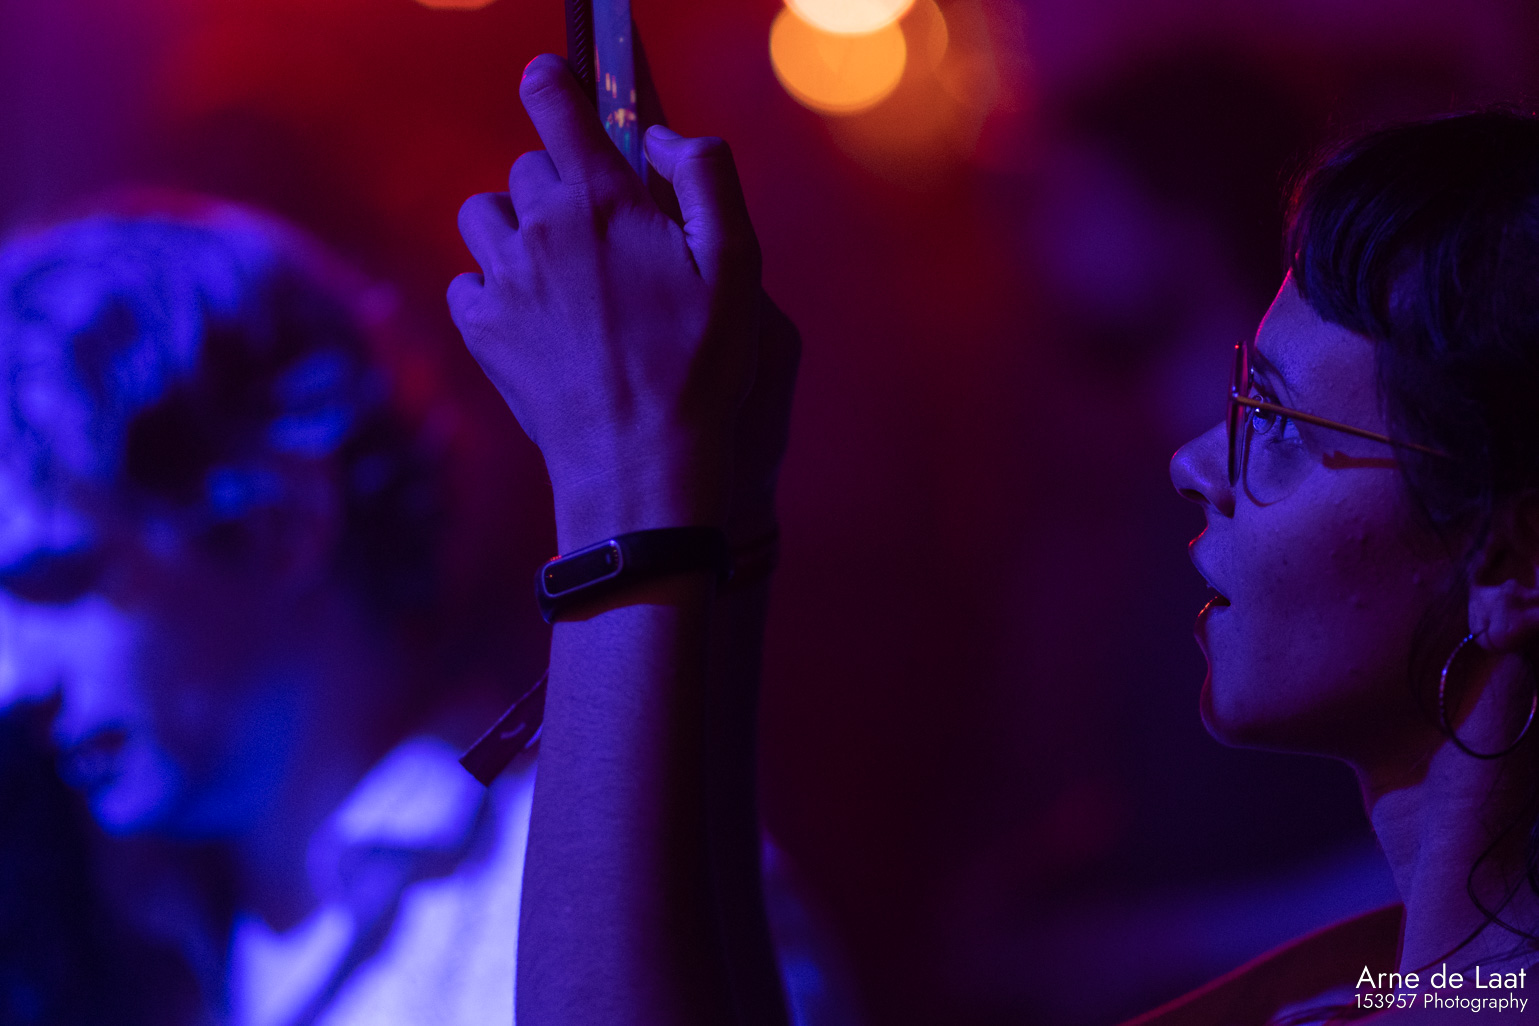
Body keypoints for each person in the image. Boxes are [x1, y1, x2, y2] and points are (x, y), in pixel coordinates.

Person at [454, 51, 1539, 1024]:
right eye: (1242, 395)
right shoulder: (1402, 983)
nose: (1196, 463)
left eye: (1282, 423)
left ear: (1507, 560)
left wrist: (622, 488)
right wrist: (718, 512)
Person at [0, 196, 541, 1026]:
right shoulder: (109, 938)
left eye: (62, 580)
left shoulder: (559, 898)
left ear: (281, 527)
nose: (13, 680)